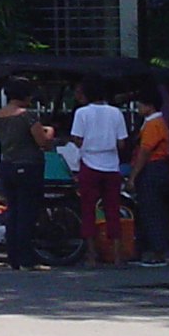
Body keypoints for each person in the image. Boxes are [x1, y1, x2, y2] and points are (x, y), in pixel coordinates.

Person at [0, 79, 54, 270]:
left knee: (13, 212)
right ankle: (28, 259)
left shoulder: (0, 115)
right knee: (27, 213)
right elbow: (42, 141)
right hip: (29, 166)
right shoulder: (27, 116)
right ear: (25, 95)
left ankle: (13, 257)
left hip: (8, 165)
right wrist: (49, 132)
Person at [67, 77, 128, 266]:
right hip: (111, 165)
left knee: (87, 209)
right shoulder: (115, 113)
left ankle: (92, 254)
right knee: (112, 208)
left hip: (89, 163)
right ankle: (117, 254)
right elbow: (122, 143)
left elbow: (77, 139)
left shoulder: (82, 113)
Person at [128, 86, 169, 267]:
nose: (137, 106)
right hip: (154, 168)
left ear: (150, 106)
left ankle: (158, 253)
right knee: (146, 210)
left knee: (152, 211)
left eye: (140, 103)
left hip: (152, 168)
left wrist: (132, 176)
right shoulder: (152, 122)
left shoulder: (154, 125)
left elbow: (145, 151)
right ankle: (145, 249)